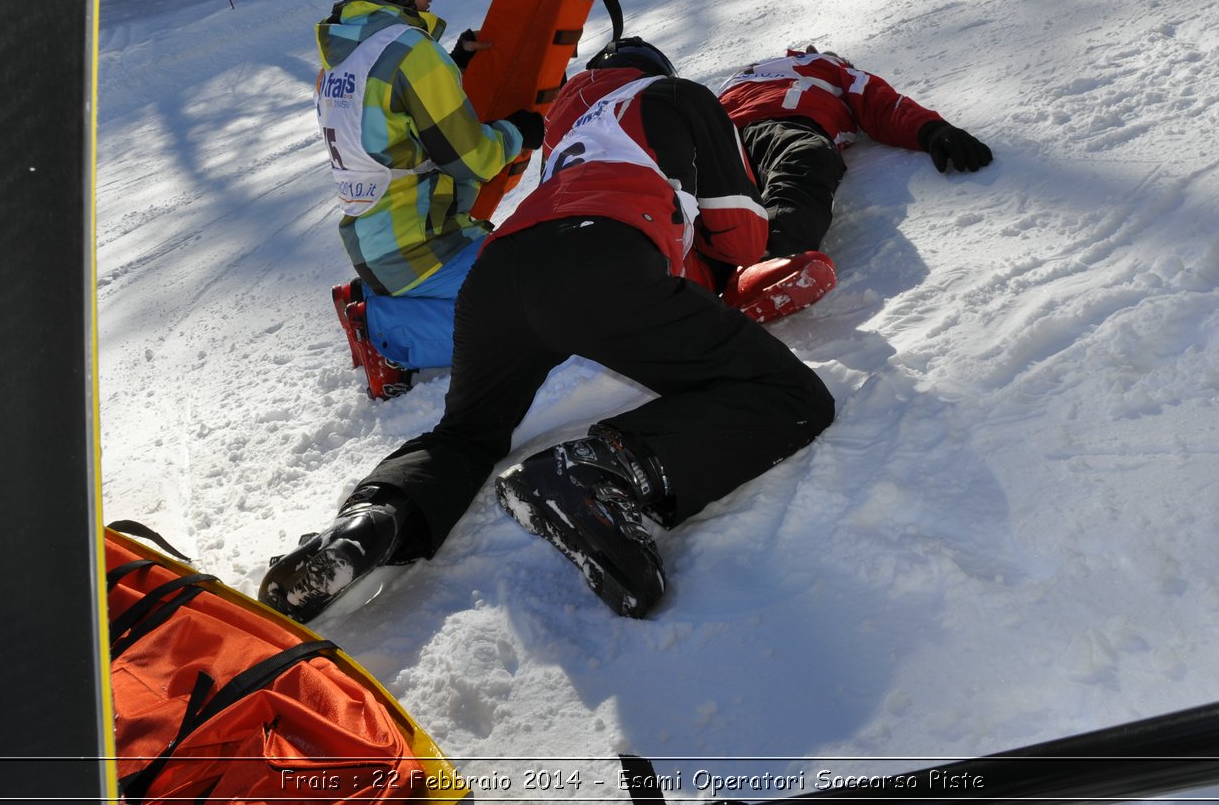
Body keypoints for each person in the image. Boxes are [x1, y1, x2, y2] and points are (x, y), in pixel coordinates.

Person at [262, 38, 836, 622]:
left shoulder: (566, 123)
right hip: (598, 256)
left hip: (495, 275)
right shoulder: (676, 95)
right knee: (792, 396)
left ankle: (365, 528)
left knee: (467, 433)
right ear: (655, 69)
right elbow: (743, 239)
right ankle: (601, 472)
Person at [315, 0, 543, 399]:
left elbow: (392, 120)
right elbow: (475, 158)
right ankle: (388, 334)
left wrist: (452, 65)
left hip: (380, 245)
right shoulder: (411, 52)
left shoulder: (342, 56)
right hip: (427, 248)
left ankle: (379, 303)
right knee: (545, 313)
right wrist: (521, 131)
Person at [698, 47, 993, 318]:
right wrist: (932, 130)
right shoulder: (826, 67)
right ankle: (770, 258)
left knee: (702, 206)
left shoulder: (736, 81)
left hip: (710, 143)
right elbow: (880, 103)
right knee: (803, 158)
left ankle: (693, 282)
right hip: (780, 125)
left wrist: (932, 130)